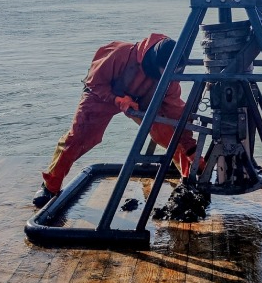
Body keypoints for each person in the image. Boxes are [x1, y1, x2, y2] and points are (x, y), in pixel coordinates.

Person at [33, 34, 199, 207]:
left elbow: (176, 113)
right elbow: (95, 83)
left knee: (169, 134)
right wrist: (117, 99)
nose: (172, 75)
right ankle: (50, 186)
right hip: (102, 95)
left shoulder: (170, 80)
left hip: (139, 100)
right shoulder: (121, 53)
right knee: (79, 138)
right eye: (167, 70)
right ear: (156, 62)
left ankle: (189, 180)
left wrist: (191, 148)